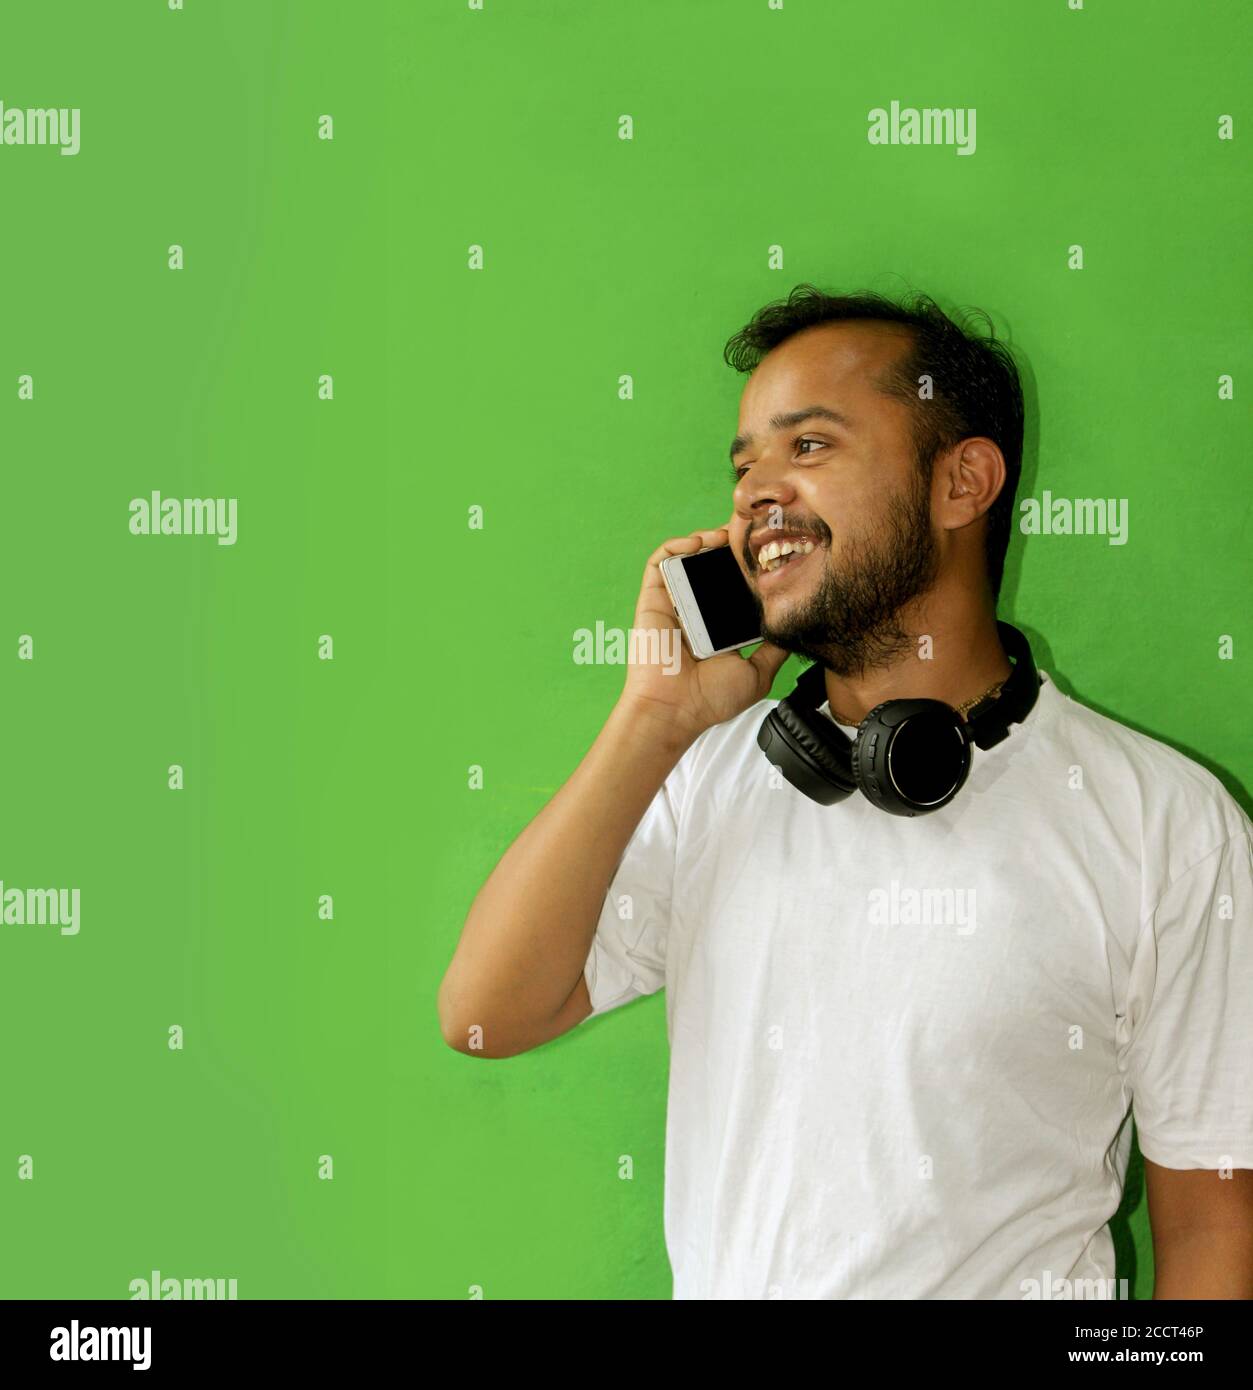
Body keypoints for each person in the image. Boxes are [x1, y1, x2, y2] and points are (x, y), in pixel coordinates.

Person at [438, 285, 1253, 1299]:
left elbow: (1214, 1224)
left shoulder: (1163, 823)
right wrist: (650, 722)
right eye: (742, 465)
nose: (753, 494)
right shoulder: (704, 775)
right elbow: (483, 1015)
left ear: (961, 482)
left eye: (806, 447)